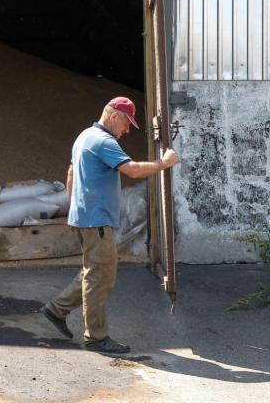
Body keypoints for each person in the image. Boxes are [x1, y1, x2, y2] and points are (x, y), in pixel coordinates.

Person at [40, 96, 180, 354]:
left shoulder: (84, 136)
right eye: (127, 124)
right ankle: (96, 337)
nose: (127, 130)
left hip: (86, 217)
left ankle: (55, 309)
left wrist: (73, 209)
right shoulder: (104, 141)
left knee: (93, 270)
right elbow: (134, 170)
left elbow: (71, 173)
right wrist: (164, 163)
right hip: (98, 220)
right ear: (113, 115)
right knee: (101, 277)